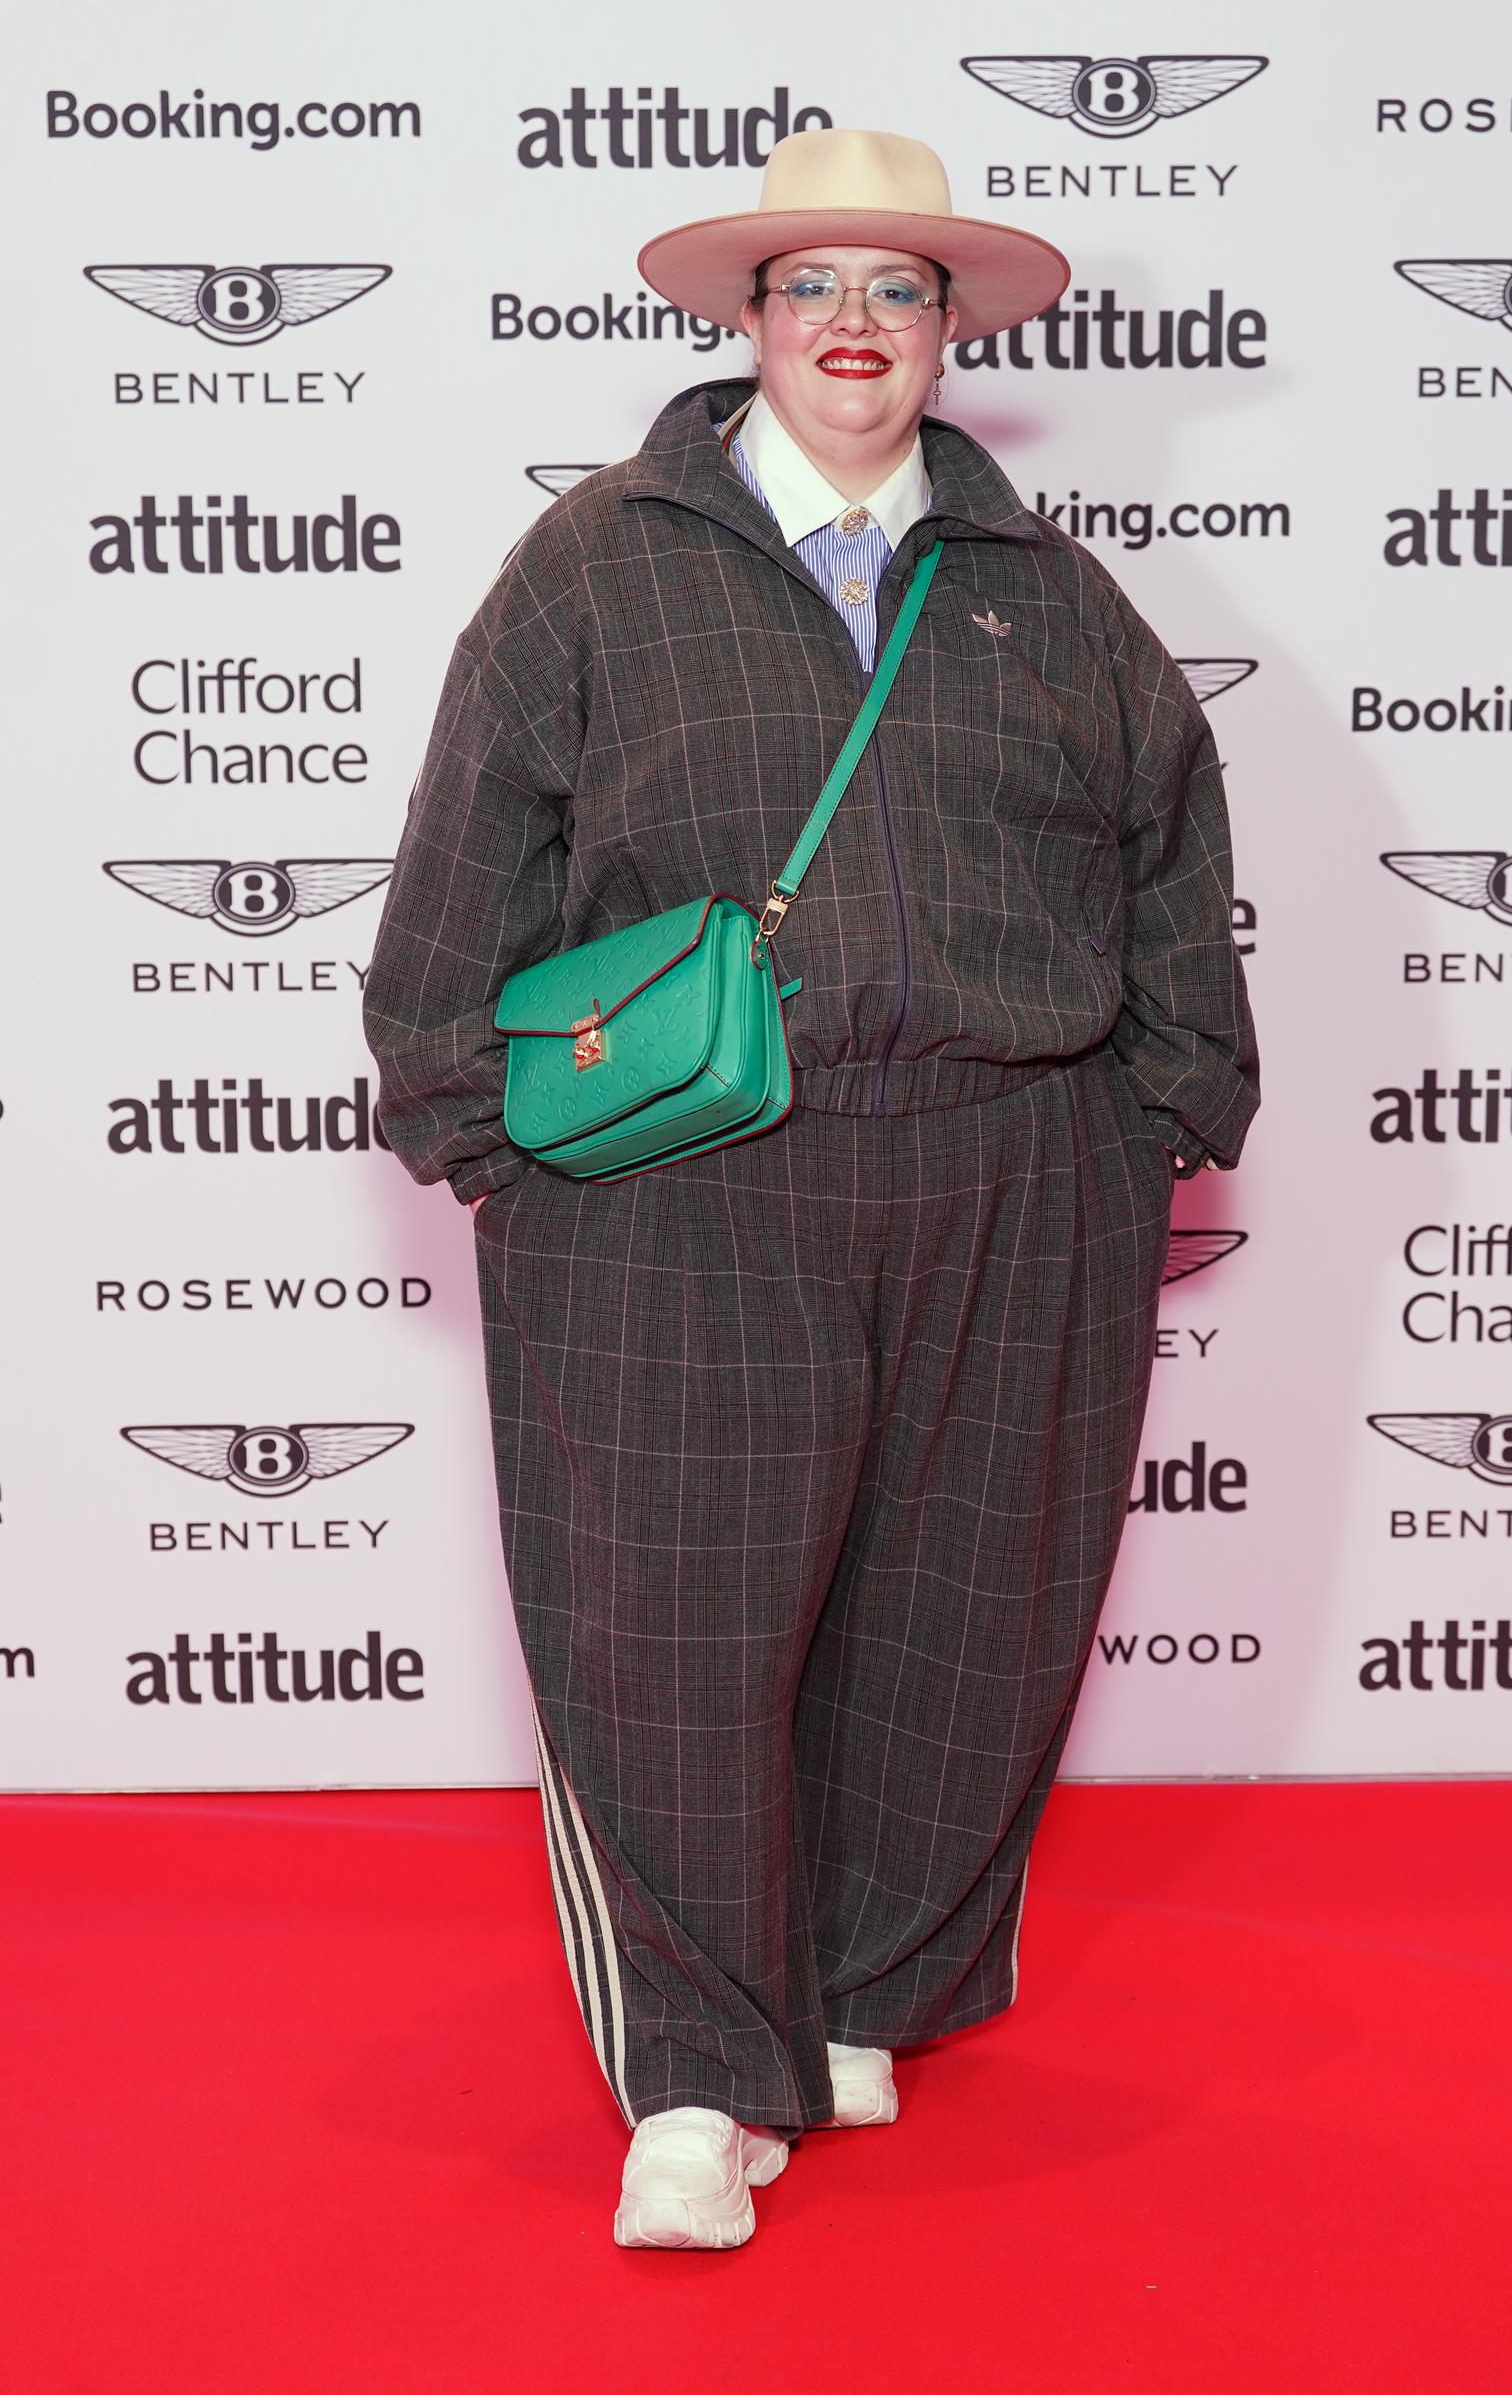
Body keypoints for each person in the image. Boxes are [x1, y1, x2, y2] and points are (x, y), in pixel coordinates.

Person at [362, 126, 1259, 2250]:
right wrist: (474, 1133)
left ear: (946, 332)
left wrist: (1151, 1120)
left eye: (896, 292)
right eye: (810, 291)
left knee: (967, 1605)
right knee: (665, 1628)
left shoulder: (1052, 592)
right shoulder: (596, 566)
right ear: (741, 321)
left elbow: (1165, 860)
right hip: (680, 1183)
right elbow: (466, 854)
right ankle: (693, 2073)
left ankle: (861, 1990)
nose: (852, 330)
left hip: (1011, 1164)